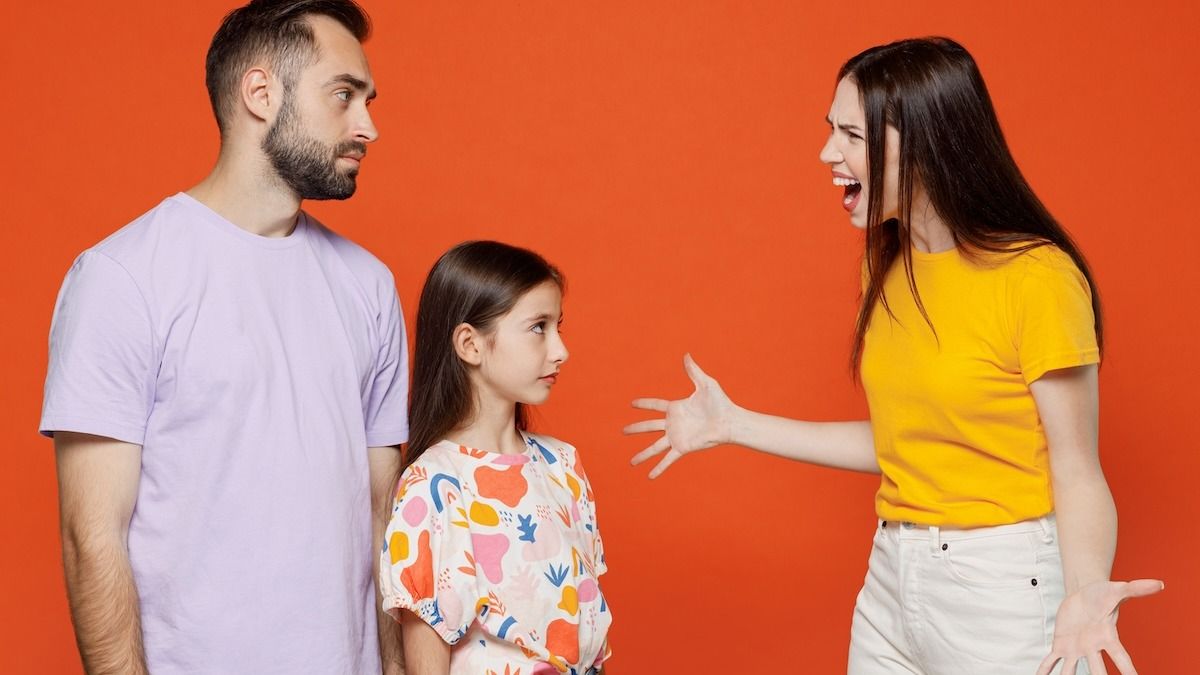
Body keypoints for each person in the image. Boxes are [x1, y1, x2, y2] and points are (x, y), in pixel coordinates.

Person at [624, 37, 1162, 675]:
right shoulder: (887, 268)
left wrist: (1085, 592)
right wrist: (732, 425)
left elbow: (1077, 470)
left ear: (926, 144)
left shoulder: (1037, 280)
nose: (828, 153)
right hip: (891, 576)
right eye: (831, 130)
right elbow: (904, 443)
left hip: (1001, 586)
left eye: (851, 135)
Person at [40, 1, 408, 672]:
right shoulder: (123, 278)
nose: (368, 127)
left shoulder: (369, 286)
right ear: (261, 94)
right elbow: (91, 537)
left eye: (368, 101)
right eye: (343, 95)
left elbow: (386, 523)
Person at [380, 241, 612, 674]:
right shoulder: (435, 486)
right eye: (538, 327)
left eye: (558, 326)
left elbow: (586, 632)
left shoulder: (563, 466)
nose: (561, 350)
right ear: (470, 344)